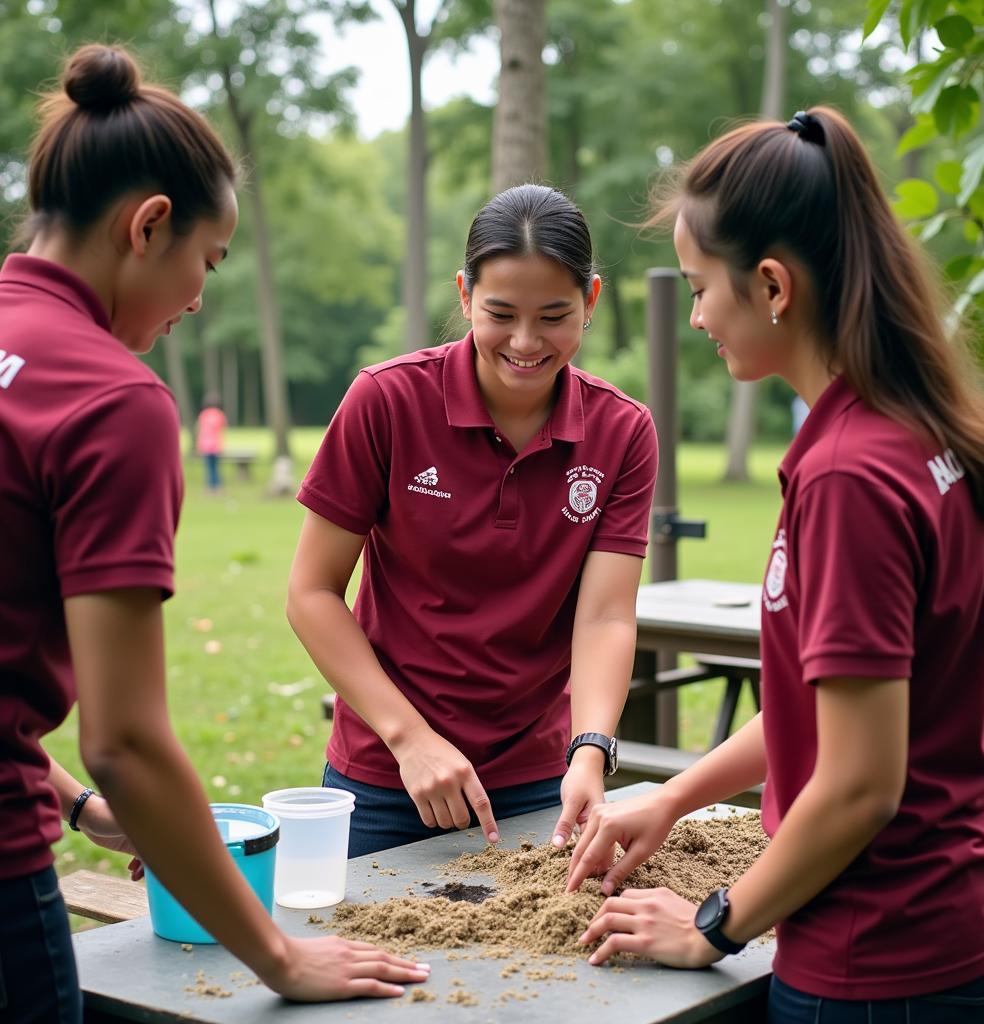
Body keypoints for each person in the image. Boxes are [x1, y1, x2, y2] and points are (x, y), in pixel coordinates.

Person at [565, 107, 984, 1021]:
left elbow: (859, 784)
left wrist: (713, 926)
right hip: (972, 916)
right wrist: (676, 798)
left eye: (701, 288)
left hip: (880, 956)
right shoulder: (931, 429)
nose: (695, 317)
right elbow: (836, 712)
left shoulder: (852, 473)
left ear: (773, 286)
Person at [0, 44, 428, 1022]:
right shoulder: (109, 400)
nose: (198, 298)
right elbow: (127, 740)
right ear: (149, 226)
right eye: (206, 260)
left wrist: (70, 802)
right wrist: (276, 953)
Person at [287, 184, 658, 858]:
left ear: (592, 302)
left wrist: (591, 750)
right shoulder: (386, 401)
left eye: (553, 316)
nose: (525, 341)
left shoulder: (623, 431)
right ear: (464, 295)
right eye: (500, 313)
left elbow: (605, 615)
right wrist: (410, 739)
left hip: (543, 776)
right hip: (389, 770)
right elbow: (312, 593)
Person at [196, 391, 228, 493]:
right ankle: (217, 486)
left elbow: (200, 430)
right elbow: (222, 429)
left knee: (208, 468)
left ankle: (210, 487)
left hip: (205, 445)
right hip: (216, 445)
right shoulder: (220, 415)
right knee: (216, 467)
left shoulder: (203, 414)